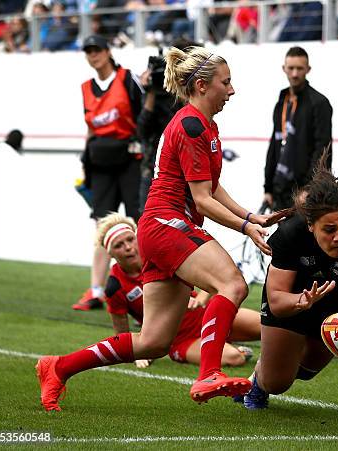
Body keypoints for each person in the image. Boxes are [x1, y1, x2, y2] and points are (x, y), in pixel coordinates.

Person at [37, 46, 276, 412]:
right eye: (226, 82)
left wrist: (250, 217)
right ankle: (209, 372)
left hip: (159, 226)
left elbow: (211, 187)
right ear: (200, 85)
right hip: (167, 224)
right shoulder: (192, 125)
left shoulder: (202, 123)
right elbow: (202, 201)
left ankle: (58, 367)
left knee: (152, 342)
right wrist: (246, 227)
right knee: (232, 284)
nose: (232, 90)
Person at [243, 155, 338, 409]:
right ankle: (259, 379)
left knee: (309, 370)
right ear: (311, 225)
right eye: (329, 229)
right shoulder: (290, 234)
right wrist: (300, 301)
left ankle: (278, 360)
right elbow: (277, 300)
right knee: (277, 383)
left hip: (334, 300)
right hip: (291, 299)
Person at [100, 212, 260, 369]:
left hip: (208, 315)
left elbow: (213, 277)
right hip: (182, 340)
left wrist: (200, 299)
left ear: (137, 237)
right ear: (110, 253)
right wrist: (136, 354)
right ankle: (231, 348)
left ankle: (223, 339)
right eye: (118, 245)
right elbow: (121, 334)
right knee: (234, 358)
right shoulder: (115, 286)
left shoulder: (159, 252)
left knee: (268, 326)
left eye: (130, 239)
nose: (128, 247)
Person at [73, 34, 144, 312]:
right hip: (100, 163)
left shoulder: (127, 79)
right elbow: (90, 128)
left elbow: (143, 117)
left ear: (107, 51)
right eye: (88, 51)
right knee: (102, 227)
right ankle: (96, 290)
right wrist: (84, 159)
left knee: (140, 222)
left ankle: (152, 282)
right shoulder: (86, 88)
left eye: (97, 50)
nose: (94, 55)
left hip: (129, 160)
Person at [264, 46, 333, 212]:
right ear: (284, 69)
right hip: (280, 190)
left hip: (305, 193)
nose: (295, 73)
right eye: (291, 68)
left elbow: (323, 150)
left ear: (308, 70)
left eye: (299, 68)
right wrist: (268, 188)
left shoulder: (319, 103)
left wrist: (310, 189)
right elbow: (275, 144)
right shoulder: (281, 102)